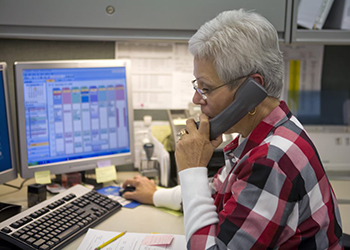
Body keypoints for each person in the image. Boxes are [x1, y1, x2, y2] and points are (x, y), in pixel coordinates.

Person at [122, 9, 344, 249]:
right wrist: (157, 195)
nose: (196, 100)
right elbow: (219, 191)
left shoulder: (270, 161)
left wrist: (192, 169)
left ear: (252, 90)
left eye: (205, 88)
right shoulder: (272, 128)